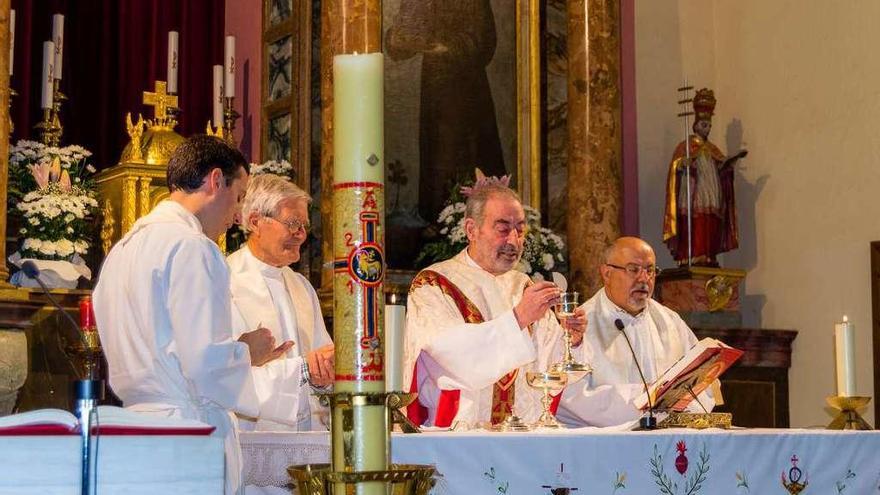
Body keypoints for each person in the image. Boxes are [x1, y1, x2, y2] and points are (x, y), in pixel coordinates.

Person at [94, 136, 300, 495]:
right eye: (238, 198)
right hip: (186, 437)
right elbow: (205, 366)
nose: (237, 216)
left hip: (137, 432)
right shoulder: (192, 247)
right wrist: (248, 350)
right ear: (215, 181)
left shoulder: (122, 251)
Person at [403, 180, 584, 428]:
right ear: (471, 229)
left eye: (520, 230)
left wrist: (570, 340)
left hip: (524, 436)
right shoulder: (434, 284)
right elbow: (454, 355)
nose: (514, 240)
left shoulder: (525, 286)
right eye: (503, 229)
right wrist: (519, 318)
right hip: (458, 436)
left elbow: (549, 370)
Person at [557, 237, 716, 427]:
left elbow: (702, 384)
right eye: (633, 269)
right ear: (606, 273)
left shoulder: (670, 321)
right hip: (605, 442)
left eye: (650, 270)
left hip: (667, 439)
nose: (644, 279)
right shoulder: (580, 324)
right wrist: (643, 399)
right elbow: (572, 397)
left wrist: (673, 406)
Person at [227, 173, 335, 432]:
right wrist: (303, 369)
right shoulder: (225, 280)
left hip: (307, 436)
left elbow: (322, 359)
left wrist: (323, 377)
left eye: (304, 225)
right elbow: (225, 374)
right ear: (255, 221)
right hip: (252, 434)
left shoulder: (302, 286)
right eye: (293, 223)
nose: (301, 234)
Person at [385, 0, 507, 223]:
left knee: (460, 155)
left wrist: (443, 46)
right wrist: (398, 38)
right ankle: (438, 220)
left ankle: (464, 221)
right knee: (436, 156)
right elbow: (402, 39)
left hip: (466, 90)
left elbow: (483, 41)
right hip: (434, 88)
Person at [663, 88, 747, 266]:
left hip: (711, 193)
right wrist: (681, 164)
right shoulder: (685, 146)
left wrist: (730, 163)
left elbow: (721, 167)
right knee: (696, 221)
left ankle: (708, 255)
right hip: (693, 194)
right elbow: (674, 169)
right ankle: (692, 254)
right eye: (703, 125)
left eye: (709, 126)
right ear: (695, 124)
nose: (707, 129)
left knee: (710, 221)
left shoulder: (713, 149)